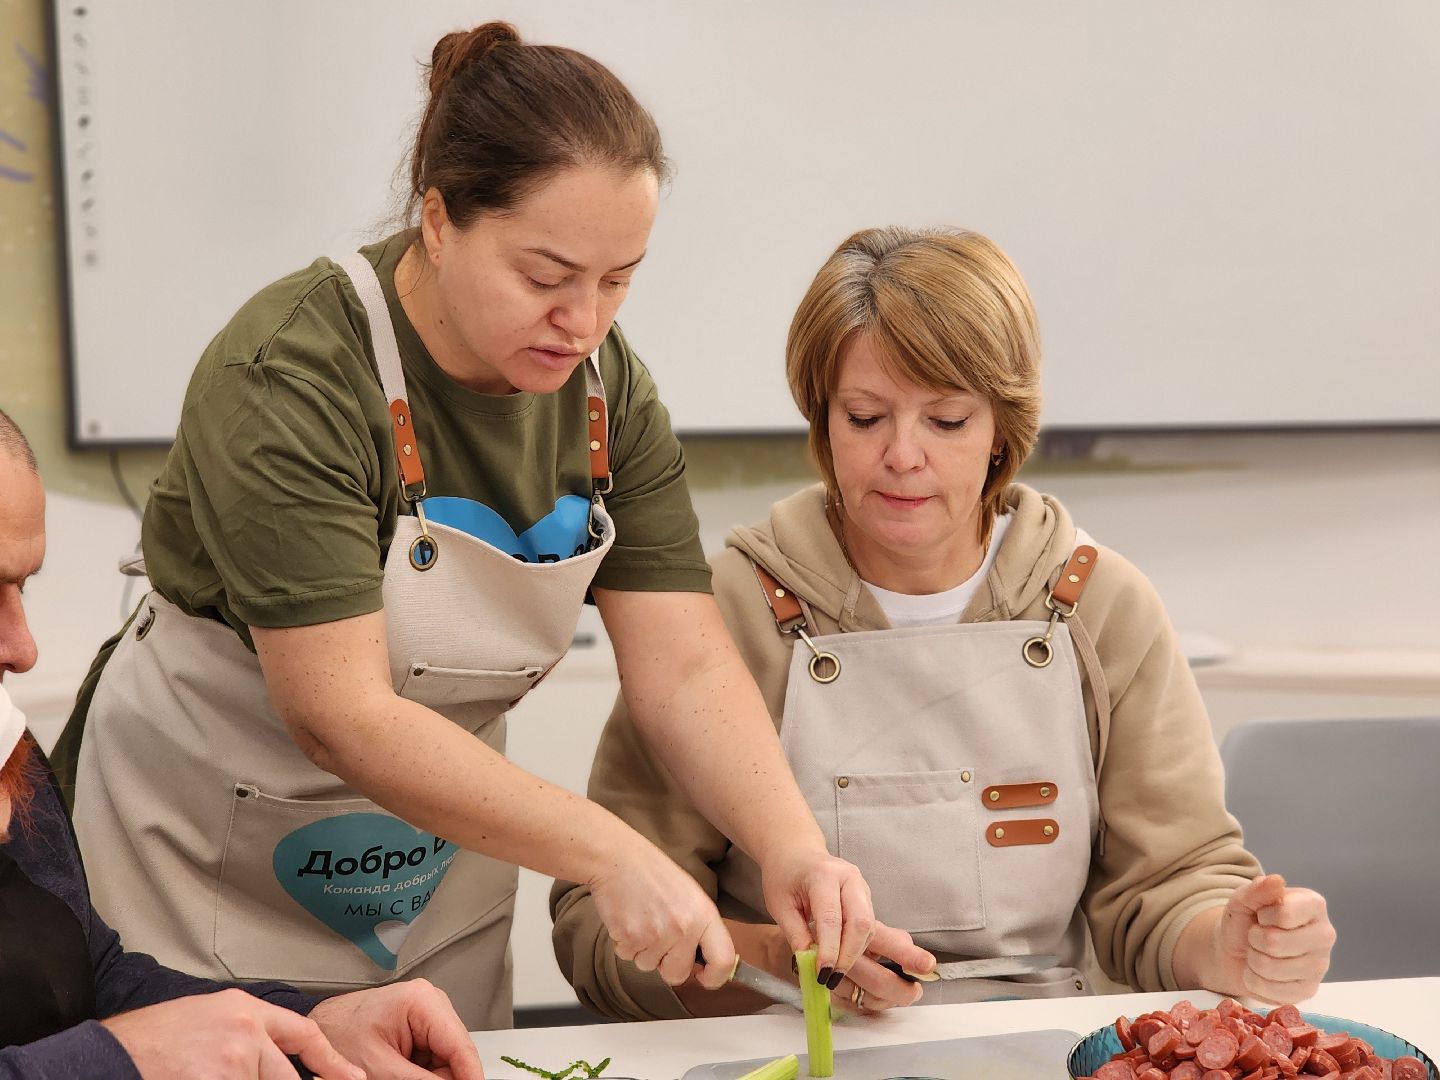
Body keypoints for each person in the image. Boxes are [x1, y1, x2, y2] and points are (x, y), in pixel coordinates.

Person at [51, 23, 922, 1031]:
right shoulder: (292, 373)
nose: (583, 320)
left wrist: (792, 850)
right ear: (437, 219)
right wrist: (607, 850)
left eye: (619, 278)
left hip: (428, 883)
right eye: (546, 276)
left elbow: (681, 668)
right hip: (198, 860)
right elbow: (342, 713)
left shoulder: (605, 390)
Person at [551, 226, 1337, 1020]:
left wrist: (1222, 946)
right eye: (864, 417)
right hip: (785, 1045)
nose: (902, 455)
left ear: (1004, 429)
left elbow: (1166, 888)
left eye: (948, 421)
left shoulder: (1101, 606)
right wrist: (775, 963)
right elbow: (596, 928)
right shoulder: (729, 610)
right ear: (821, 420)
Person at [0, 409, 484, 1079]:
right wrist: (127, 1055)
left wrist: (313, 1025)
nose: (23, 648)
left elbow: (90, 974)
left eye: (22, 588)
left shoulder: (10, 753)